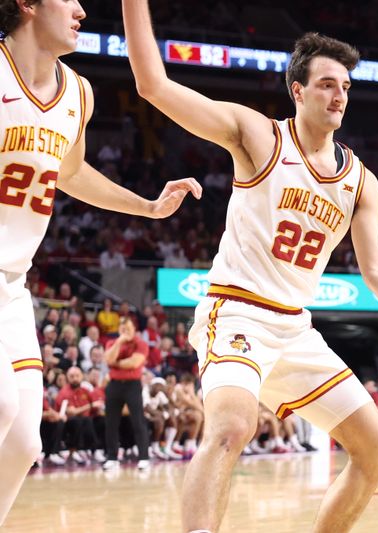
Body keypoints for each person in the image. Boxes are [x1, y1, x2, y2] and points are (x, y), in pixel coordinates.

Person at [121, 4, 378, 530]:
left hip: (295, 327)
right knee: (231, 429)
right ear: (297, 92)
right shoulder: (258, 135)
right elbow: (152, 85)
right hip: (235, 312)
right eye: (325, 84)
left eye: (344, 86)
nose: (338, 95)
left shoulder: (361, 181)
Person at [0, 0, 201, 524]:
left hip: (11, 284)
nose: (83, 10)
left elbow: (72, 174)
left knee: (23, 442)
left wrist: (148, 206)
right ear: (27, 4)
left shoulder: (78, 93)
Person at [102, 317, 150, 470]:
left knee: (138, 421)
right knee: (111, 423)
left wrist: (115, 364)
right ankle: (112, 458)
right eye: (123, 329)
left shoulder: (141, 344)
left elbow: (134, 363)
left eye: (128, 329)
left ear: (134, 329)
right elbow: (108, 360)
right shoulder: (112, 343)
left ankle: (144, 458)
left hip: (132, 385)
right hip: (114, 385)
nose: (126, 332)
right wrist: (119, 342)